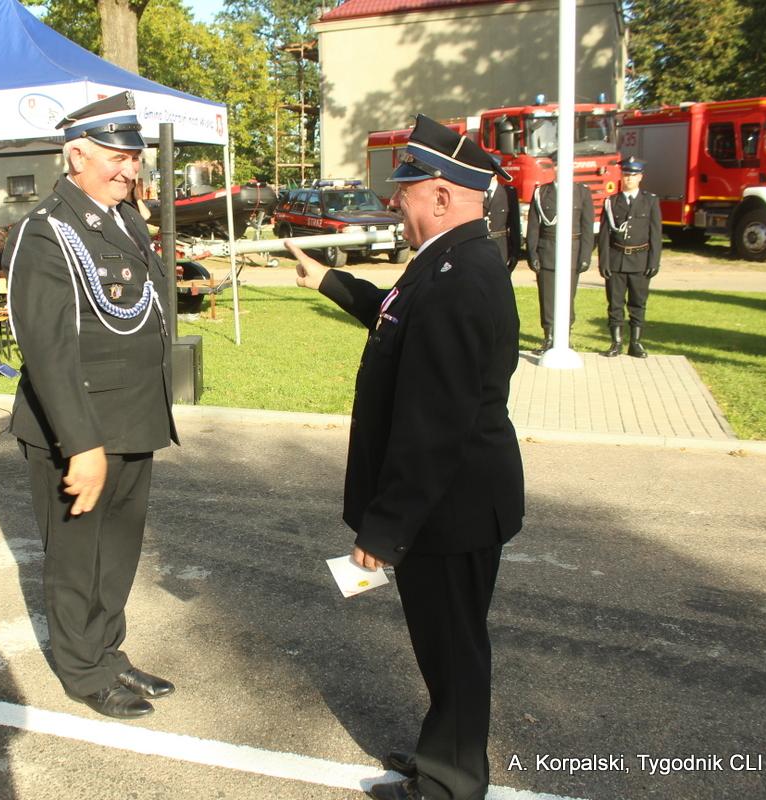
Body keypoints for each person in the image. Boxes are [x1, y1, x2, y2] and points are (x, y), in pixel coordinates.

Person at [287, 115, 524, 800]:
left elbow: (433, 428)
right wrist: (330, 282)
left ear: (442, 197)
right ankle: (442, 756)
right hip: (452, 504)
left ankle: (451, 784)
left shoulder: (459, 277)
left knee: (453, 650)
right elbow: (396, 316)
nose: (395, 200)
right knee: (447, 647)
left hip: (449, 508)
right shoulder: (449, 260)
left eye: (407, 189)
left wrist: (385, 530)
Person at [5, 91, 178, 720]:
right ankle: (83, 671)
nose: (130, 169)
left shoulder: (123, 219)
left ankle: (108, 651)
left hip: (133, 417)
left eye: (134, 157)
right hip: (78, 428)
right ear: (76, 155)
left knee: (118, 553)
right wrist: (80, 444)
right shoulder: (45, 230)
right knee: (78, 558)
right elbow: (47, 350)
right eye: (117, 157)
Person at [598, 156, 661, 358]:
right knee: (615, 304)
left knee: (638, 304)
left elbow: (655, 234)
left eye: (633, 175)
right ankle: (616, 342)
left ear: (640, 177)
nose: (629, 179)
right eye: (626, 175)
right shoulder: (612, 202)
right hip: (616, 260)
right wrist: (604, 262)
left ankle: (636, 343)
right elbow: (604, 236)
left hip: (640, 261)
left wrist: (654, 261)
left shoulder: (650, 201)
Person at [526, 180, 594, 353]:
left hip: (572, 251)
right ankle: (548, 337)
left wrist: (585, 256)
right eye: (555, 166)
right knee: (547, 297)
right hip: (547, 250)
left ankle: (565, 337)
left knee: (568, 297)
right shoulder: (542, 192)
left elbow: (587, 226)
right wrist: (532, 253)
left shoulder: (582, 192)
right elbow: (533, 226)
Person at [484, 178, 521, 271]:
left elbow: (514, 226)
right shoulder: (476, 192)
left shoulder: (508, 193)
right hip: (480, 248)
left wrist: (514, 253)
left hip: (501, 248)